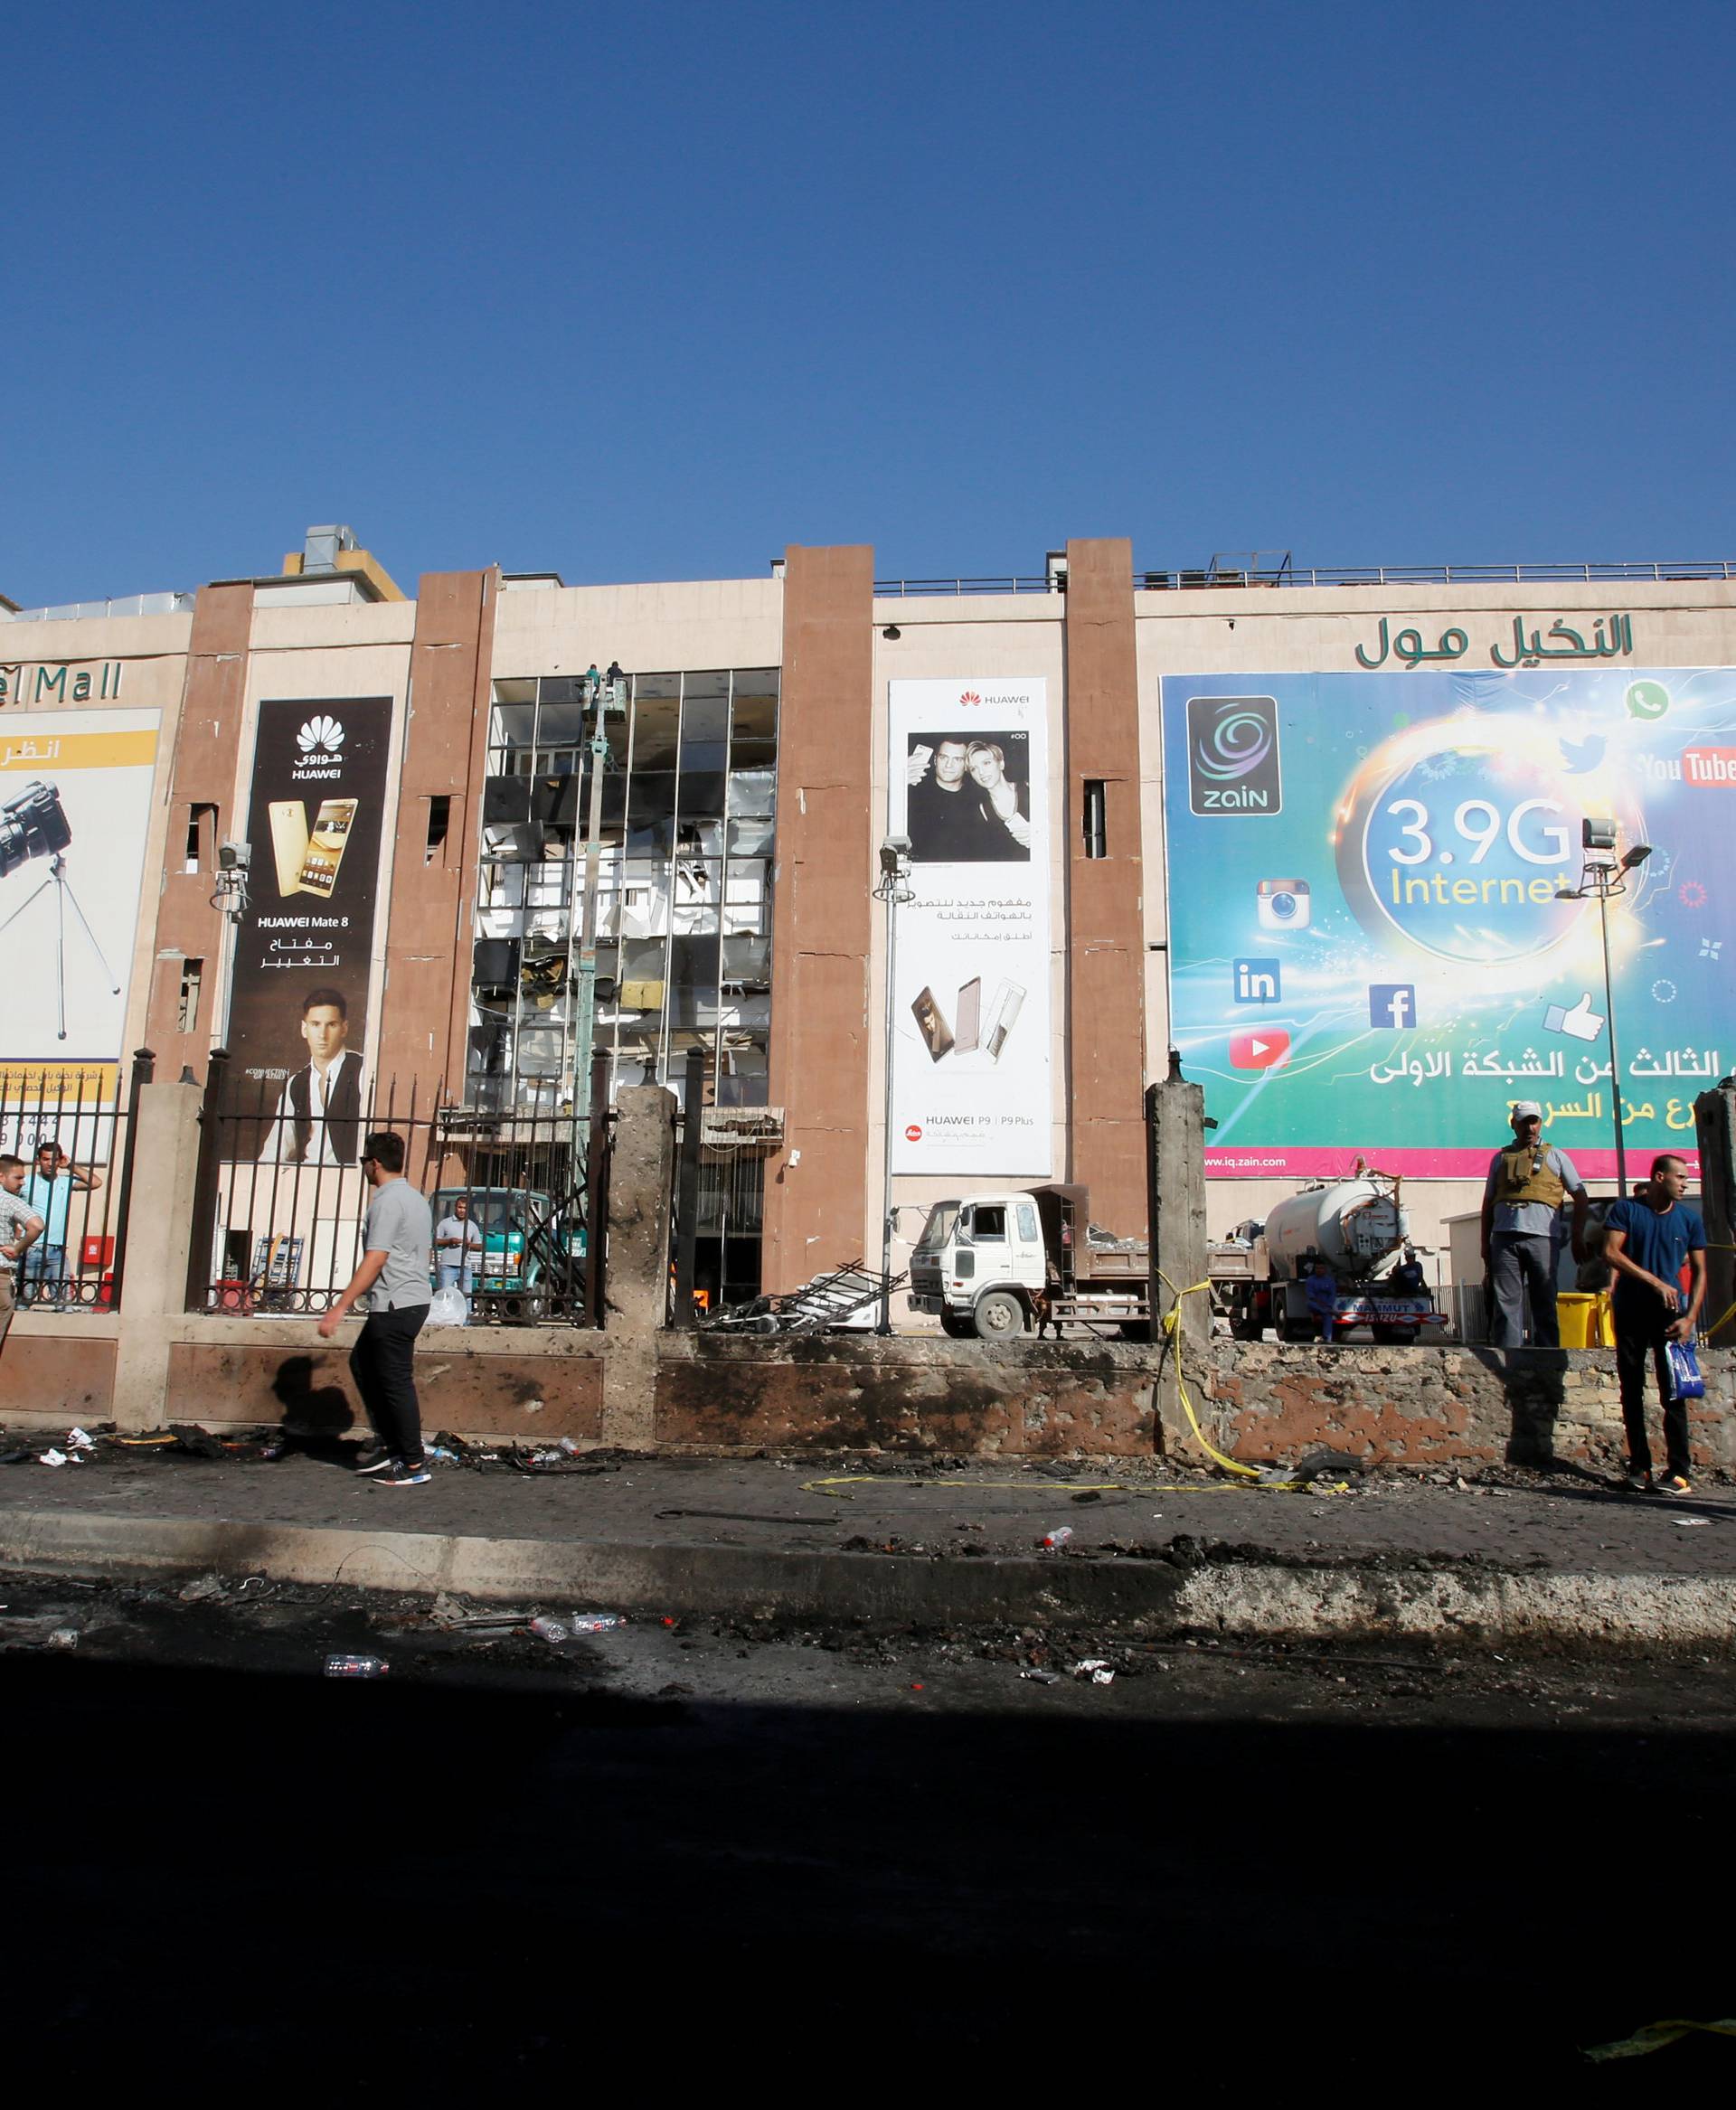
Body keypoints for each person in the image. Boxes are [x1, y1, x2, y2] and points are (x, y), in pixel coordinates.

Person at [317, 1131, 434, 1485]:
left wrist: (340, 1306)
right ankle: (392, 1444)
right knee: (363, 1362)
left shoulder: (386, 1202)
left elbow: (377, 1257)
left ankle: (413, 1463)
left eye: (365, 1162)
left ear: (375, 1163)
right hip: (411, 1299)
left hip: (396, 1302)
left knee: (396, 1382)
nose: (365, 1168)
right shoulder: (416, 1199)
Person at [1603, 1154, 1706, 1494]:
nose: (1685, 1184)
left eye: (1686, 1179)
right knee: (1631, 1389)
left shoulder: (1689, 1220)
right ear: (1660, 1178)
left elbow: (1702, 1270)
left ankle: (1679, 1471)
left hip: (1670, 1316)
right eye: (1680, 1177)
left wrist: (1691, 1318)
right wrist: (1654, 1281)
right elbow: (1612, 1252)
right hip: (1631, 1310)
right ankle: (1640, 1467)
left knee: (1673, 1392)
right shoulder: (1627, 1210)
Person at [1480, 1100, 1589, 1347]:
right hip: (1505, 1237)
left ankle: (1548, 1361)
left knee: (1544, 1302)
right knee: (1506, 1305)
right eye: (1524, 1122)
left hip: (1543, 1238)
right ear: (1513, 1124)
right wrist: (1484, 1244)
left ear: (1540, 1123)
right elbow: (1487, 1204)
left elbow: (1580, 1196)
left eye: (1534, 1121)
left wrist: (1577, 1235)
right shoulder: (1500, 1159)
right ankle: (1510, 1362)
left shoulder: (1557, 1156)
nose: (1530, 1128)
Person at [259, 987, 363, 1166]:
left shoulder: (363, 1070)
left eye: (331, 1025)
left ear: (344, 1028)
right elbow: (277, 1147)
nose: (322, 1035)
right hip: (307, 1179)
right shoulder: (296, 1083)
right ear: (304, 1029)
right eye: (315, 1024)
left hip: (350, 1180)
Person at [21, 1136, 102, 1308]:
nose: (50, 1163)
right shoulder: (26, 1182)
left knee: (64, 1302)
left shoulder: (65, 1182)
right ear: (38, 1161)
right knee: (24, 1300)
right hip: (32, 1248)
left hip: (57, 1250)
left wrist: (71, 1167)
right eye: (46, 1159)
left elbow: (96, 1182)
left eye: (55, 1159)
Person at [907, 738, 997, 862]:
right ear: (935, 760)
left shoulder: (979, 799)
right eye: (943, 758)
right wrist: (899, 781)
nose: (949, 765)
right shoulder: (913, 794)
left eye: (957, 759)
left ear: (966, 766)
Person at [0, 1155, 45, 1358]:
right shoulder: (10, 1201)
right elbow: (36, 1225)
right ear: (1, 1177)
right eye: (17, 1177)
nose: (22, 1182)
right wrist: (18, 1248)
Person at [965, 740, 1033, 857]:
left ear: (1001, 764)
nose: (981, 772)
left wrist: (1037, 834)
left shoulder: (1029, 787)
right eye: (974, 769)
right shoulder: (983, 810)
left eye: (986, 763)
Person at [435, 1195, 484, 1302]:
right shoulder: (445, 1223)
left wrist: (469, 1244)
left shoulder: (472, 1225)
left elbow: (480, 1246)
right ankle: (446, 1318)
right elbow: (436, 1241)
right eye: (460, 1207)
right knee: (445, 1297)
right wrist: (449, 1241)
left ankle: (466, 1318)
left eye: (465, 1208)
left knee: (466, 1298)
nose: (462, 1210)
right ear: (455, 1208)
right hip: (447, 1266)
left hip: (465, 1267)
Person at [1304, 1258, 1340, 1341]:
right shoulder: (1310, 1280)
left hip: (1326, 1305)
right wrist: (1325, 1307)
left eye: (1321, 1268)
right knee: (1309, 1303)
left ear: (1325, 1269)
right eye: (1317, 1268)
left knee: (1328, 1316)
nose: (1319, 1270)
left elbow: (1332, 1295)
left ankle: (1327, 1338)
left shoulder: (1330, 1281)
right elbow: (1311, 1296)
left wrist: (1329, 1306)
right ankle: (1330, 1312)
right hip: (1315, 1304)